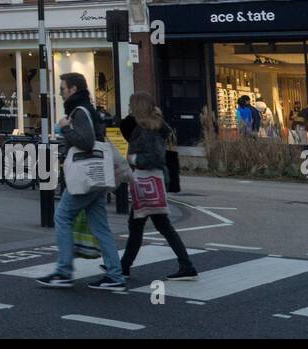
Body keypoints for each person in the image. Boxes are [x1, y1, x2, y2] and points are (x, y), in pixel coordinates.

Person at [38, 73, 126, 290]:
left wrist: (66, 128)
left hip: (84, 178)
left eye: (63, 88)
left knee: (61, 217)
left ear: (73, 89)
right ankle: (115, 275)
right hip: (96, 176)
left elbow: (86, 142)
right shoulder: (88, 109)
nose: (60, 91)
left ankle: (63, 272)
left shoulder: (79, 111)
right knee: (100, 226)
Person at [117, 93, 198, 281]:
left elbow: (156, 157)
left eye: (131, 105)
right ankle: (124, 266)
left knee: (146, 226)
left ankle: (124, 267)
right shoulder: (149, 126)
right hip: (152, 182)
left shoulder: (148, 130)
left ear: (137, 107)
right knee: (150, 226)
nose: (129, 108)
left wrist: (134, 159)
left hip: (148, 182)